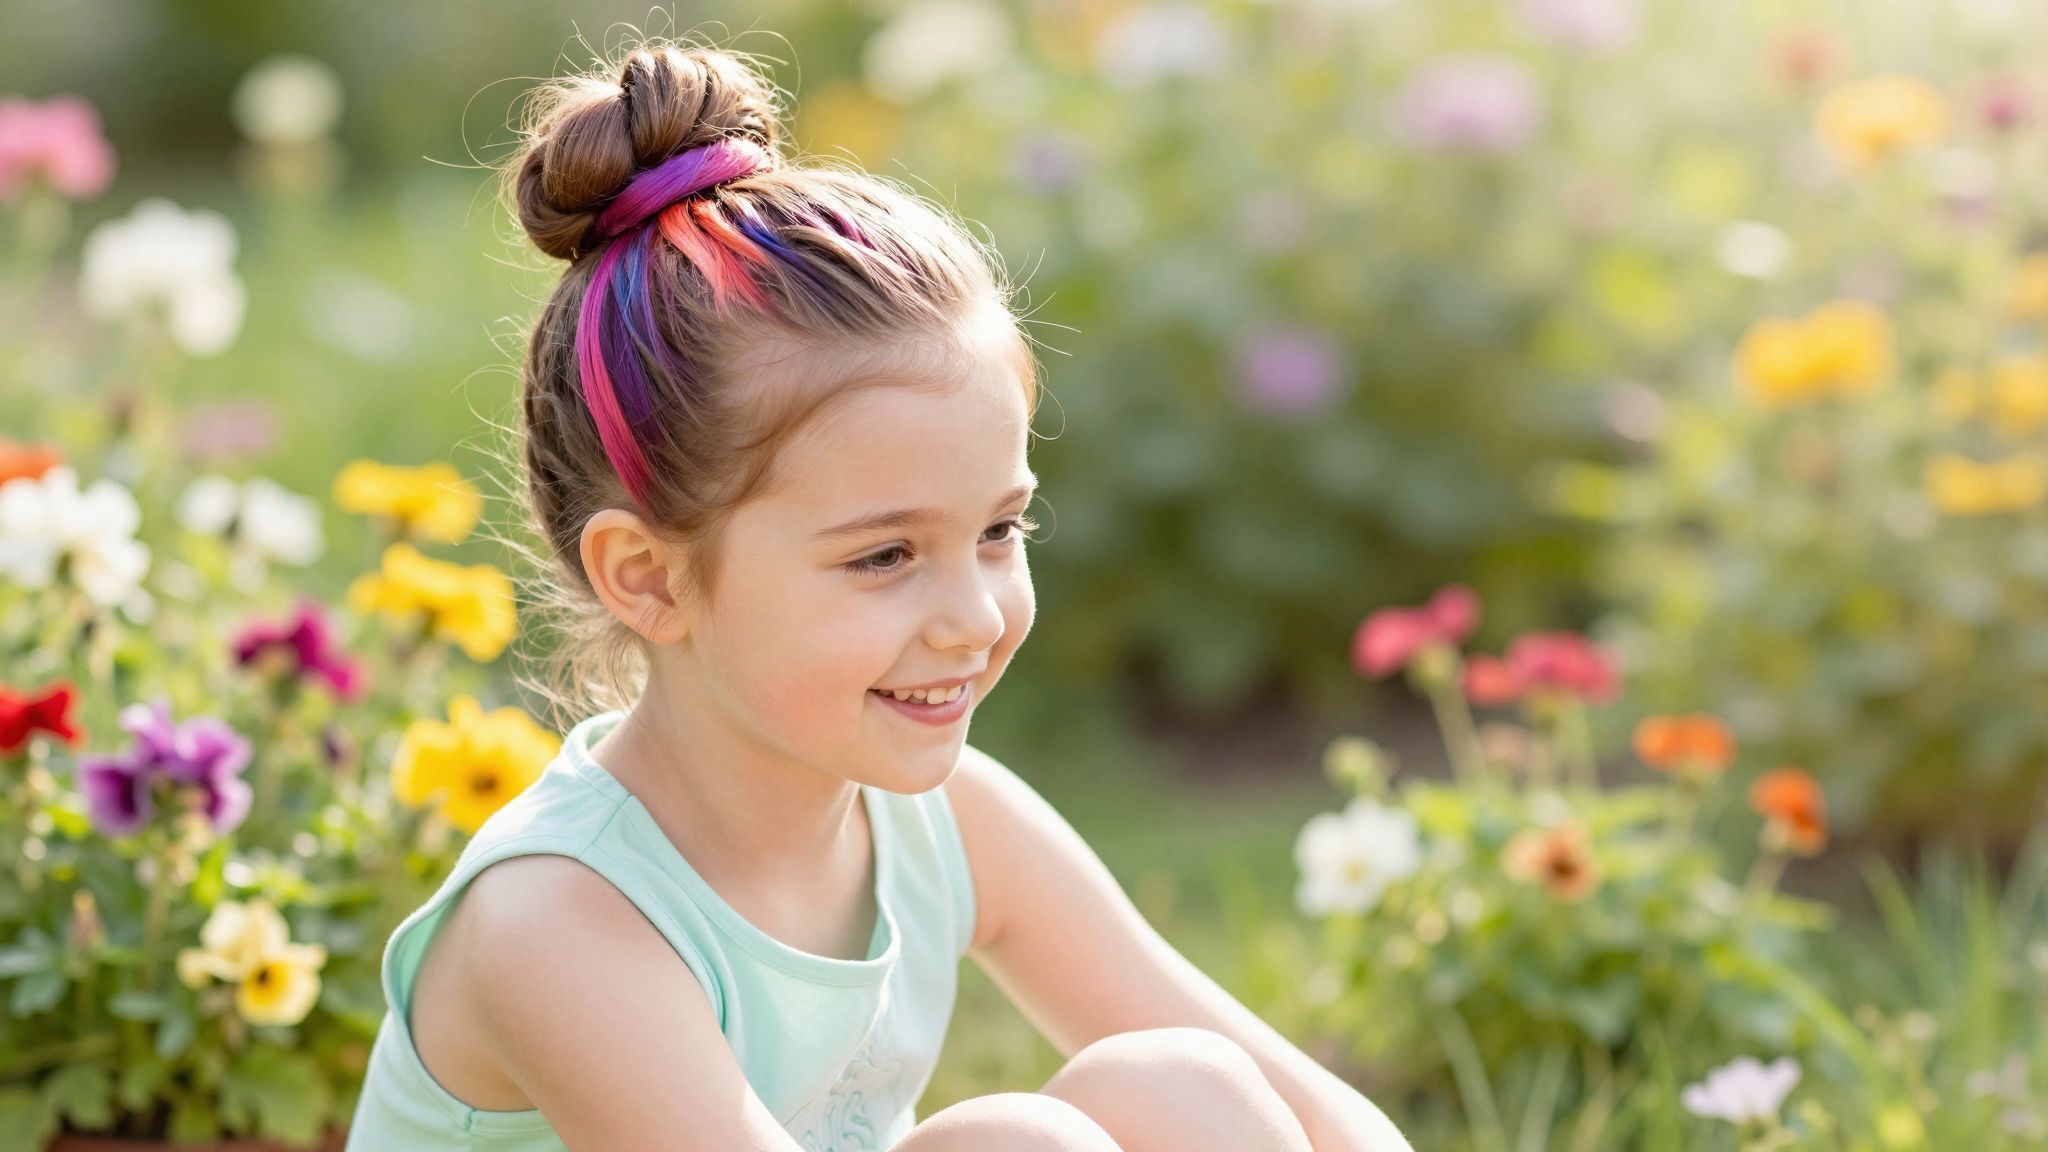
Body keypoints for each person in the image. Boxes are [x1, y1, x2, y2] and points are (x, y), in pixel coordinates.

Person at [344, 36, 1414, 1152]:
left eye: (999, 530)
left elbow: (1319, 1121)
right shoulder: (558, 924)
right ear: (650, 578)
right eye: (884, 557)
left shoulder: (943, 825)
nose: (974, 615)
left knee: (1181, 1085)